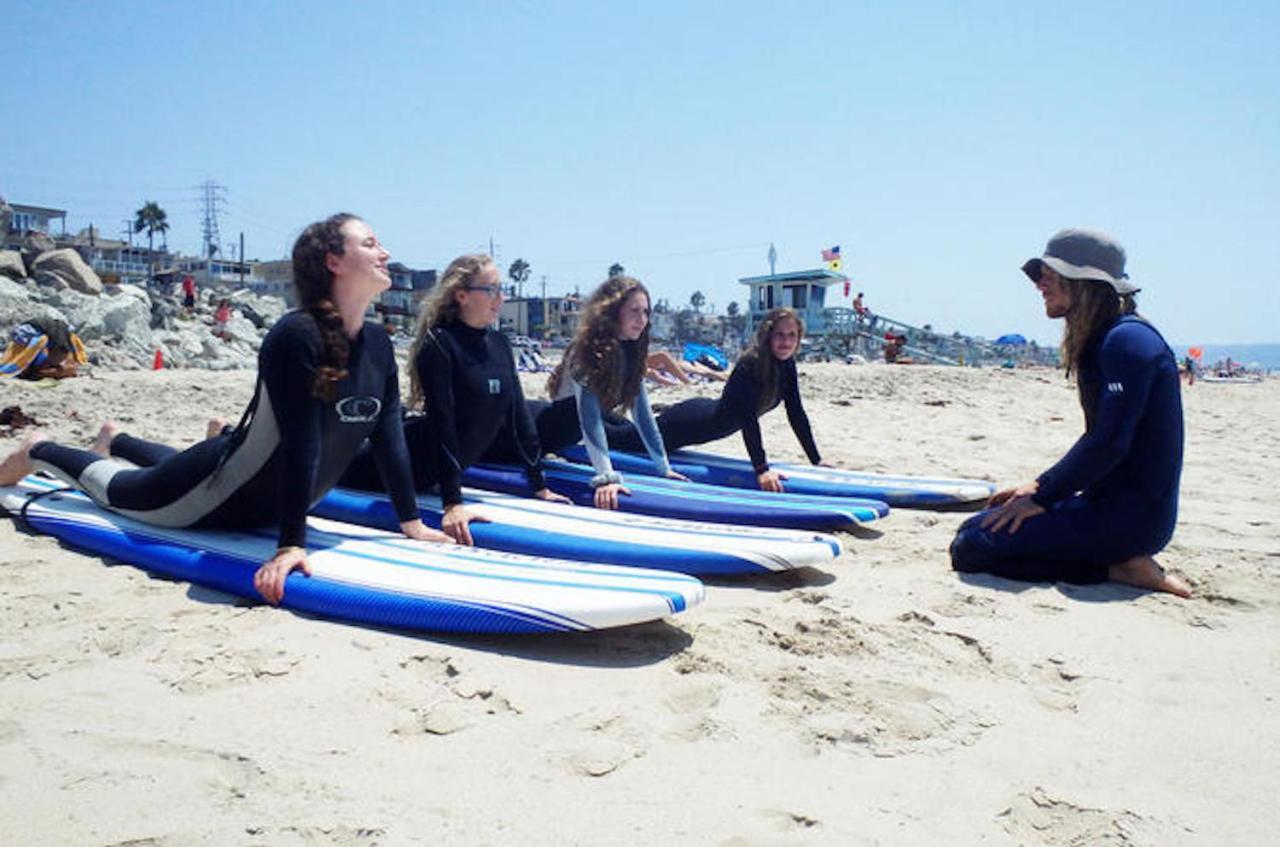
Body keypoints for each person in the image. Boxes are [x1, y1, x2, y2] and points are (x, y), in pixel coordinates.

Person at [0, 213, 451, 604]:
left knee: (199, 458)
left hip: (254, 487)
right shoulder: (296, 336)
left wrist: (410, 522)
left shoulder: (375, 342)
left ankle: (116, 438)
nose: (385, 252)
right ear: (333, 262)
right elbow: (302, 444)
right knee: (116, 489)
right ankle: (40, 449)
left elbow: (389, 435)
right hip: (212, 500)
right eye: (370, 244)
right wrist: (291, 545)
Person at [949, 229, 1190, 597]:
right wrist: (1039, 487)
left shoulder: (1128, 341)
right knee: (974, 528)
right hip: (1107, 505)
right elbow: (1101, 439)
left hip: (1133, 520)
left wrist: (1043, 496)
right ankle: (1116, 562)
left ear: (1086, 283)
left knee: (972, 547)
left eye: (1050, 275)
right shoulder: (1109, 338)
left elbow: (1110, 442)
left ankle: (1119, 567)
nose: (1039, 285)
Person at [338, 254, 568, 545]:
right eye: (491, 290)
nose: (500, 298)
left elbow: (519, 418)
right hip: (398, 463)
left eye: (502, 289)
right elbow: (442, 425)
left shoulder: (500, 344)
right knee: (336, 470)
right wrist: (452, 503)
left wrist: (539, 486)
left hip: (431, 475)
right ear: (462, 295)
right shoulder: (440, 343)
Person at [605, 308, 822, 492]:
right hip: (690, 424)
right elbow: (748, 420)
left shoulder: (787, 365)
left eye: (792, 335)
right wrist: (761, 469)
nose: (786, 341)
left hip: (704, 415)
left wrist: (816, 460)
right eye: (780, 335)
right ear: (768, 335)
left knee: (631, 432)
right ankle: (584, 421)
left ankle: (602, 417)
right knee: (621, 440)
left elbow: (796, 413)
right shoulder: (751, 364)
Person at [533, 275, 687, 509]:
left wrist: (664, 468)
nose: (642, 319)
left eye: (646, 312)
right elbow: (589, 420)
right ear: (613, 311)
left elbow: (643, 417)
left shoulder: (630, 354)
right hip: (536, 431)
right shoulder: (586, 353)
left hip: (559, 440)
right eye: (634, 310)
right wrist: (605, 478)